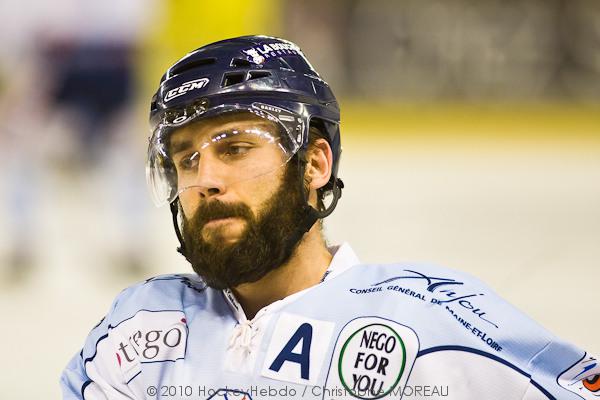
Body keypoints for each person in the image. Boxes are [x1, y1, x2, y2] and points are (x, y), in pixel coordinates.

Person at [61, 35, 599, 400]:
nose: (204, 179)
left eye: (236, 149)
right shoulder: (139, 328)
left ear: (315, 164)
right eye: (186, 159)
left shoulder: (428, 325)